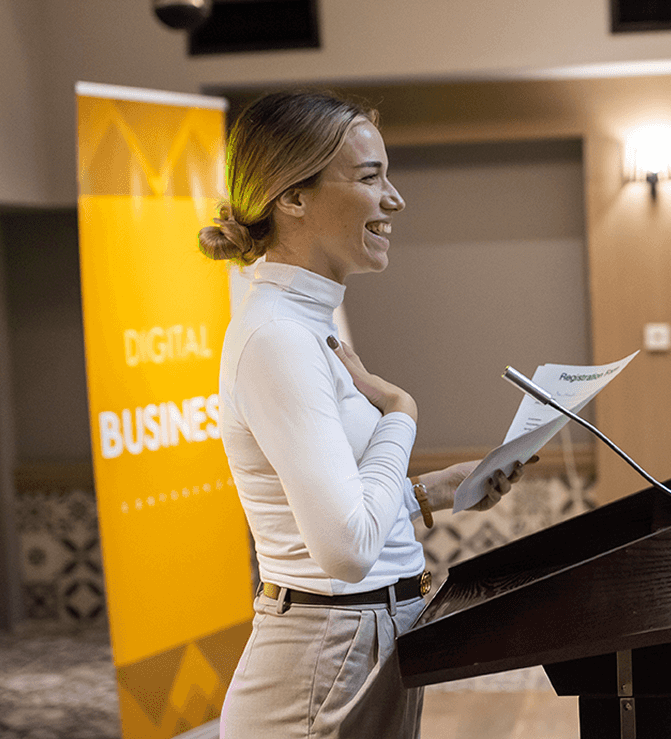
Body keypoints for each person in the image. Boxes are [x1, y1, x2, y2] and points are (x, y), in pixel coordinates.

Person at [202, 91, 527, 739]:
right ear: (291, 197)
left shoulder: (308, 323)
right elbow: (346, 549)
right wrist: (401, 415)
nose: (395, 198)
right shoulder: (278, 338)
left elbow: (345, 506)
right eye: (370, 176)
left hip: (358, 640)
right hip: (324, 656)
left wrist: (440, 491)